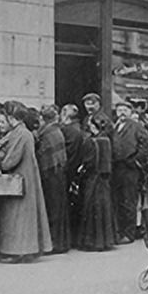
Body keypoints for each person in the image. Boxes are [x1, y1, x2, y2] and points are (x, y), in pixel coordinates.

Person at [0, 101, 52, 262]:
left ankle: (20, 251)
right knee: (22, 216)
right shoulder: (23, 133)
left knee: (18, 216)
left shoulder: (20, 134)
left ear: (12, 118)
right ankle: (25, 250)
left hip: (19, 180)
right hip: (25, 179)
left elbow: (9, 161)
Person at [111, 101, 148, 244]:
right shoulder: (115, 126)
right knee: (119, 200)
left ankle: (129, 234)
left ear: (130, 112)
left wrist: (136, 159)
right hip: (117, 167)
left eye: (125, 110)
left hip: (129, 168)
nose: (121, 113)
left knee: (129, 200)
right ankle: (120, 231)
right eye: (119, 110)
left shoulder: (135, 126)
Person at [78, 115, 117, 252]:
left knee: (92, 208)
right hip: (104, 179)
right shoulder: (106, 140)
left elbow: (88, 162)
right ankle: (106, 241)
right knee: (104, 208)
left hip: (93, 178)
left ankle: (93, 241)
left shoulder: (91, 142)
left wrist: (81, 169)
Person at [36, 105, 70, 254]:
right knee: (59, 208)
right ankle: (61, 242)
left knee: (53, 209)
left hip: (50, 174)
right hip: (58, 171)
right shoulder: (57, 131)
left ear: (43, 119)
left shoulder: (46, 133)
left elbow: (43, 155)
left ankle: (55, 243)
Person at [59, 103, 87, 247]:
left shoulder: (69, 131)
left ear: (66, 115)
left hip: (69, 171)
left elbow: (68, 154)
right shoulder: (77, 129)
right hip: (75, 170)